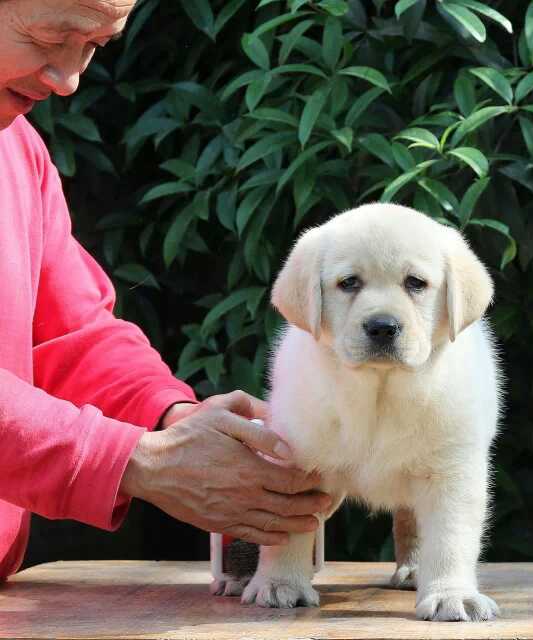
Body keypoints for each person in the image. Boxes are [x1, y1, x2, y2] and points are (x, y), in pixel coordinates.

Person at [0, 0, 331, 581]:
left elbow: (70, 333)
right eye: (52, 36)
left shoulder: (17, 149)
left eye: (95, 45)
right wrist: (136, 461)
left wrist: (171, 417)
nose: (69, 79)